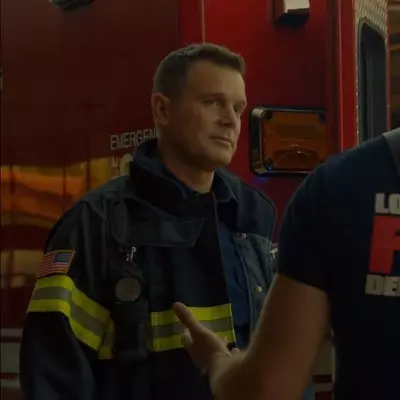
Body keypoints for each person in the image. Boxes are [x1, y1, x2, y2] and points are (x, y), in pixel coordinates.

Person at [19, 43, 314, 400]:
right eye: (212, 102)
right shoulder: (95, 223)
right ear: (162, 109)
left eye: (237, 108)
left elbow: (279, 358)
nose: (231, 120)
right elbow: (54, 379)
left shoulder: (253, 214)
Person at [173, 128, 400, 400]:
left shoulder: (338, 188)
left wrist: (215, 361)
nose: (229, 120)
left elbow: (267, 389)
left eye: (238, 109)